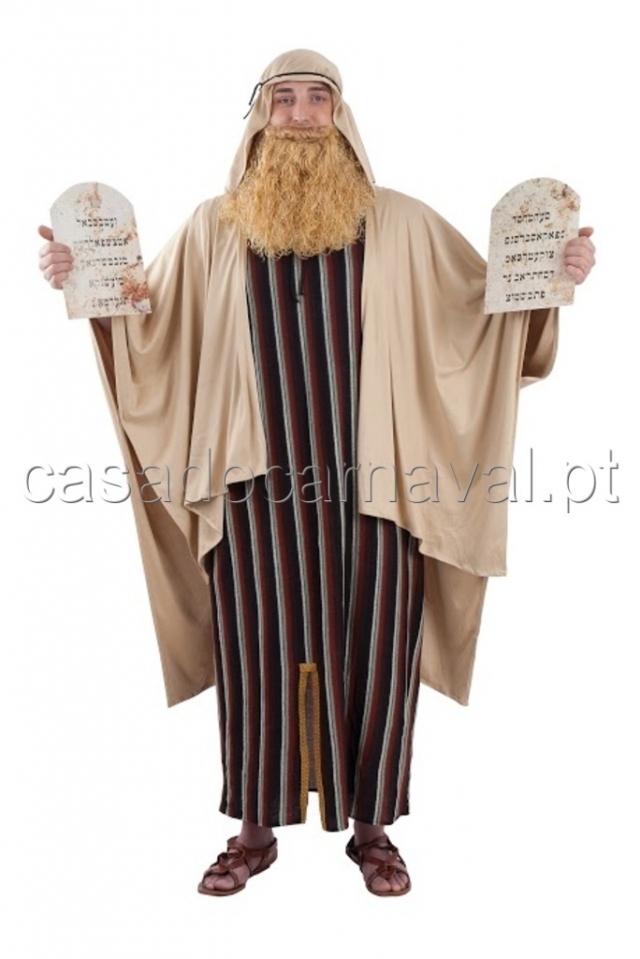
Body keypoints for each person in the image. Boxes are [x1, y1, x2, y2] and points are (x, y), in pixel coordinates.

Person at [38, 49, 596, 898]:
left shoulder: (402, 224)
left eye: (317, 99)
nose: (300, 116)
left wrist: (553, 275)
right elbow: (150, 325)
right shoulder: (213, 227)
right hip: (253, 489)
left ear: (343, 116)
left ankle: (373, 830)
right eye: (283, 100)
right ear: (258, 118)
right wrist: (84, 281)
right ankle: (253, 830)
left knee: (377, 649)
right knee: (255, 649)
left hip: (379, 485)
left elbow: (483, 308)